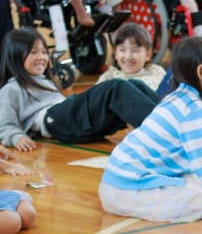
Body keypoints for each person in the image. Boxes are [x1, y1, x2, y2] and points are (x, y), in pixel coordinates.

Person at [99, 36, 202, 223]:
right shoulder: (193, 109)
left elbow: (196, 165)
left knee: (196, 180)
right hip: (126, 190)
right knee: (198, 200)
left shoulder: (175, 98)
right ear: (201, 72)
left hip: (116, 182)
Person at [0, 28, 159, 151]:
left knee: (135, 86)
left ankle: (172, 118)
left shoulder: (44, 80)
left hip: (69, 120)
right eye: (33, 52)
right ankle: (164, 130)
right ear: (15, 55)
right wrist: (16, 138)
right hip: (55, 121)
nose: (41, 57)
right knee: (116, 87)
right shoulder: (11, 88)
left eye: (43, 52)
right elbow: (4, 124)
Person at [97, 24, 202, 136]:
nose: (127, 56)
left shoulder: (156, 70)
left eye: (135, 50)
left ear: (148, 54)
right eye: (122, 50)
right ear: (115, 53)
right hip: (159, 111)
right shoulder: (111, 78)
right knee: (187, 78)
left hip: (175, 102)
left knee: (201, 70)